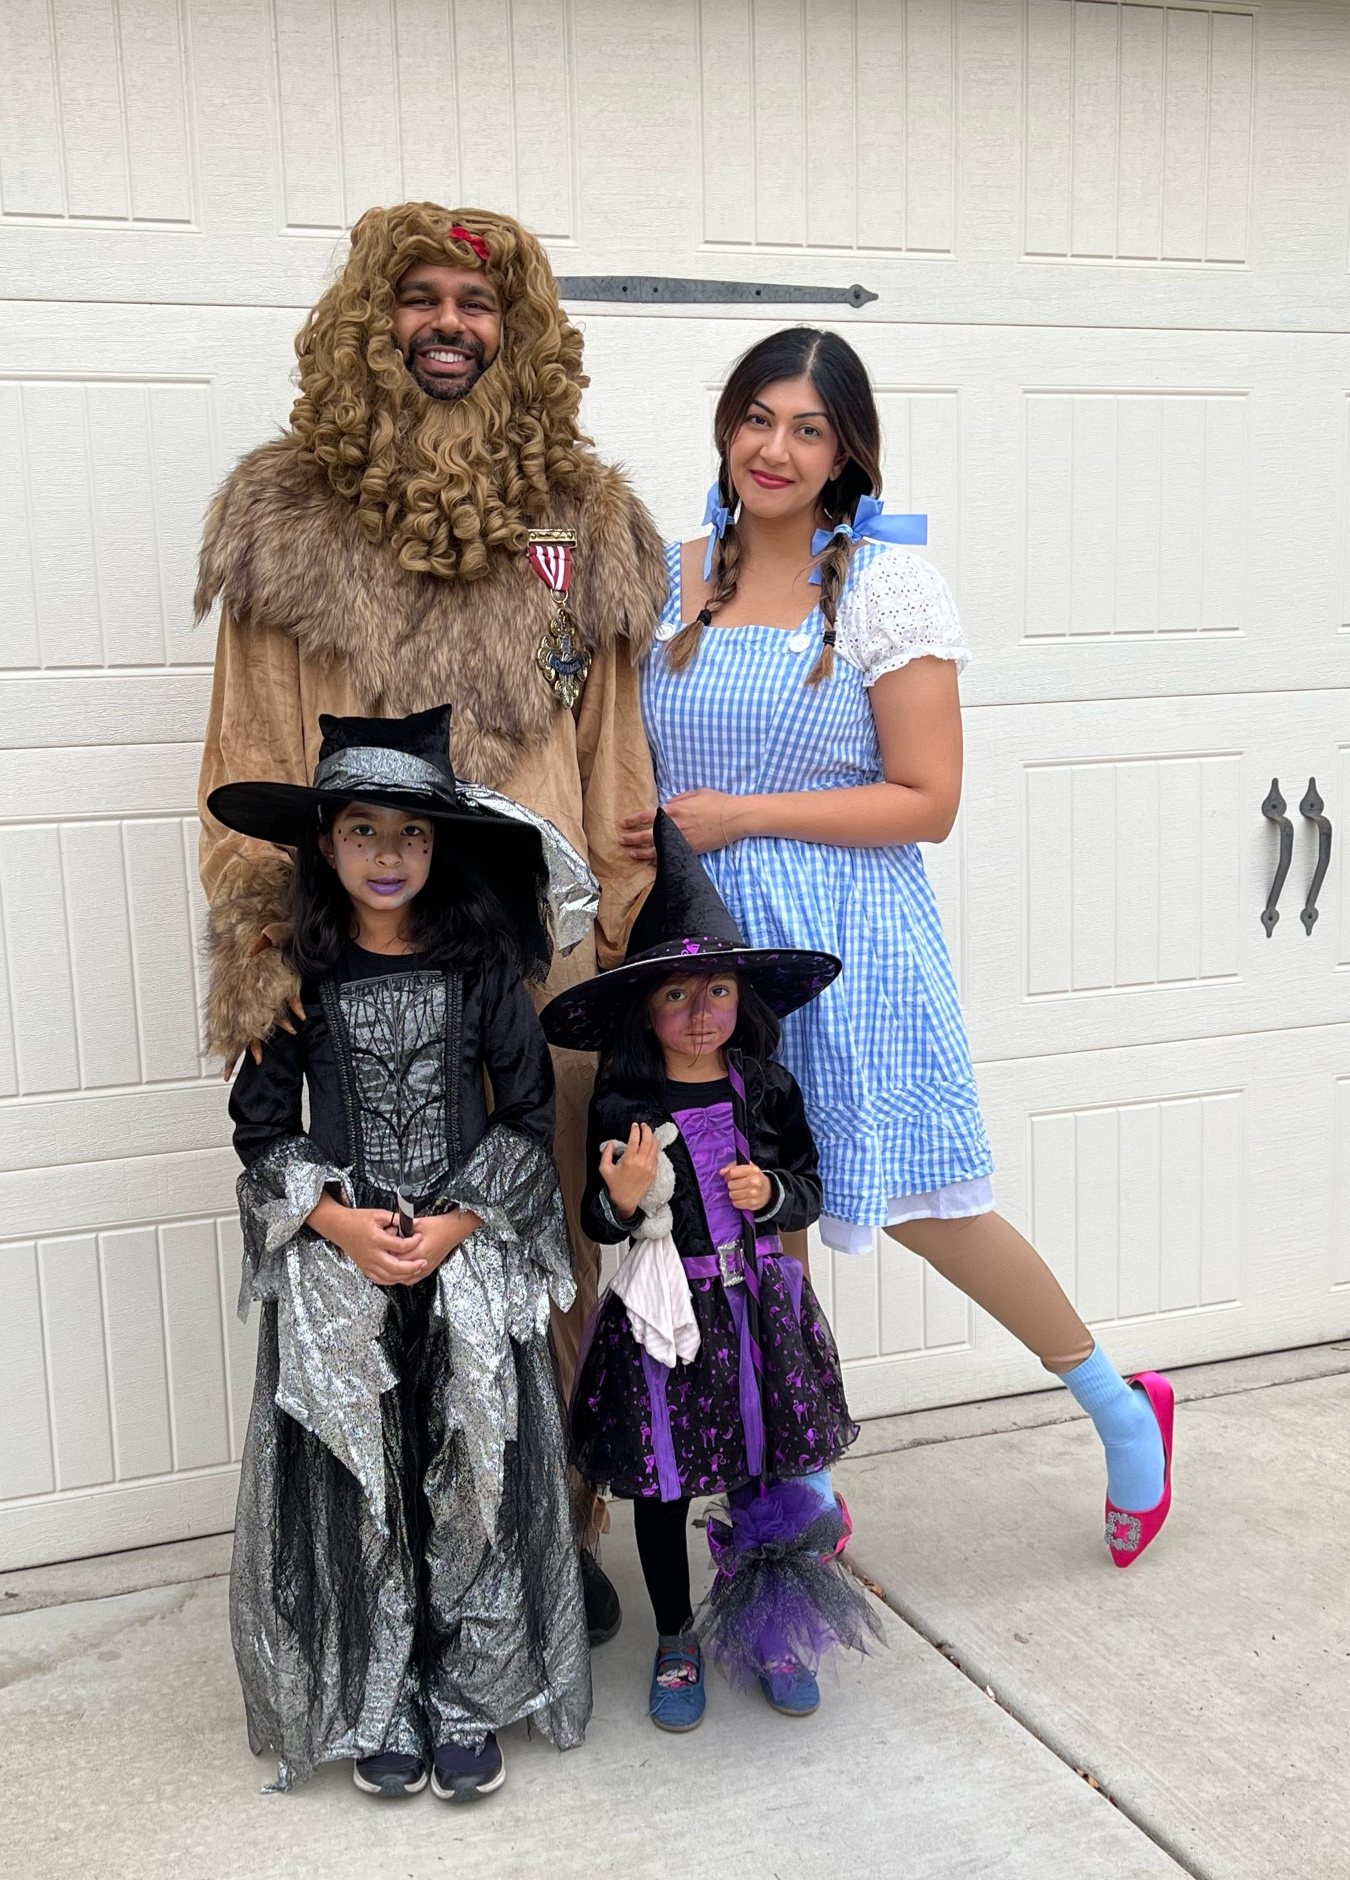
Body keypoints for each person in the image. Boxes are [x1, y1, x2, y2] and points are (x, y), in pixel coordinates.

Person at [624, 327, 1174, 1569]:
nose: (776, 448)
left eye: (808, 429)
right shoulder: (666, 576)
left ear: (846, 452)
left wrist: (737, 813)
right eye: (757, 418)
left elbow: (929, 798)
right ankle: (800, 1485)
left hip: (846, 942)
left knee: (928, 1202)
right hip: (707, 949)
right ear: (725, 426)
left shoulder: (883, 587)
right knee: (752, 1218)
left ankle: (1118, 1408)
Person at [196, 201, 665, 1635]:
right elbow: (252, 754)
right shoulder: (288, 518)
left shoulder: (579, 522)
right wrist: (270, 961)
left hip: (537, 967)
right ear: (369, 321)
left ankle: (547, 1530)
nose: (451, 325)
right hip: (358, 968)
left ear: (516, 334)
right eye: (422, 299)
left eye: (479, 302)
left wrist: (623, 964)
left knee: (542, 1257)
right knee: (379, 1266)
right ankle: (389, 1561)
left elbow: (615, 765)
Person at [214, 707, 591, 1801]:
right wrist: (333, 1223)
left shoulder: (481, 973)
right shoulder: (303, 982)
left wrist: (459, 1224)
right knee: (367, 1481)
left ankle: (470, 1692)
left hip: (464, 1257)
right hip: (347, 1266)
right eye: (365, 831)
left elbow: (525, 1116)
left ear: (440, 847)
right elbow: (260, 1128)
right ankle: (384, 1695)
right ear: (325, 844)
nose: (390, 856)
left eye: (412, 834)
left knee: (470, 1472)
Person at [542, 813, 880, 1732]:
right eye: (680, 995)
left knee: (765, 1470)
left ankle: (774, 1622)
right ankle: (676, 1636)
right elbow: (596, 1216)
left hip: (757, 1309)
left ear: (744, 1000)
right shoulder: (627, 1098)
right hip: (666, 1319)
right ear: (646, 1011)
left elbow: (807, 1189)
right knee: (665, 1479)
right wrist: (623, 1194)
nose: (702, 1013)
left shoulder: (764, 1087)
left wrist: (769, 1192)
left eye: (720, 990)